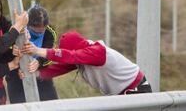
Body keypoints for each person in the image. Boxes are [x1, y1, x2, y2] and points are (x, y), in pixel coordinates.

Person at [22, 31, 152, 95]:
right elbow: (58, 69)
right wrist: (34, 74)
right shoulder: (81, 55)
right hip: (119, 94)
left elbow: (70, 56)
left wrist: (38, 50)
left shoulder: (97, 52)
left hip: (137, 90)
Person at [6, 5, 58, 103]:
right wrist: (18, 68)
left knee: (51, 104)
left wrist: (38, 63)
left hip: (41, 75)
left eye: (42, 31)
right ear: (28, 24)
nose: (39, 34)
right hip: (17, 76)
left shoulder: (50, 32)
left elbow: (50, 55)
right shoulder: (15, 27)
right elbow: (5, 49)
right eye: (35, 32)